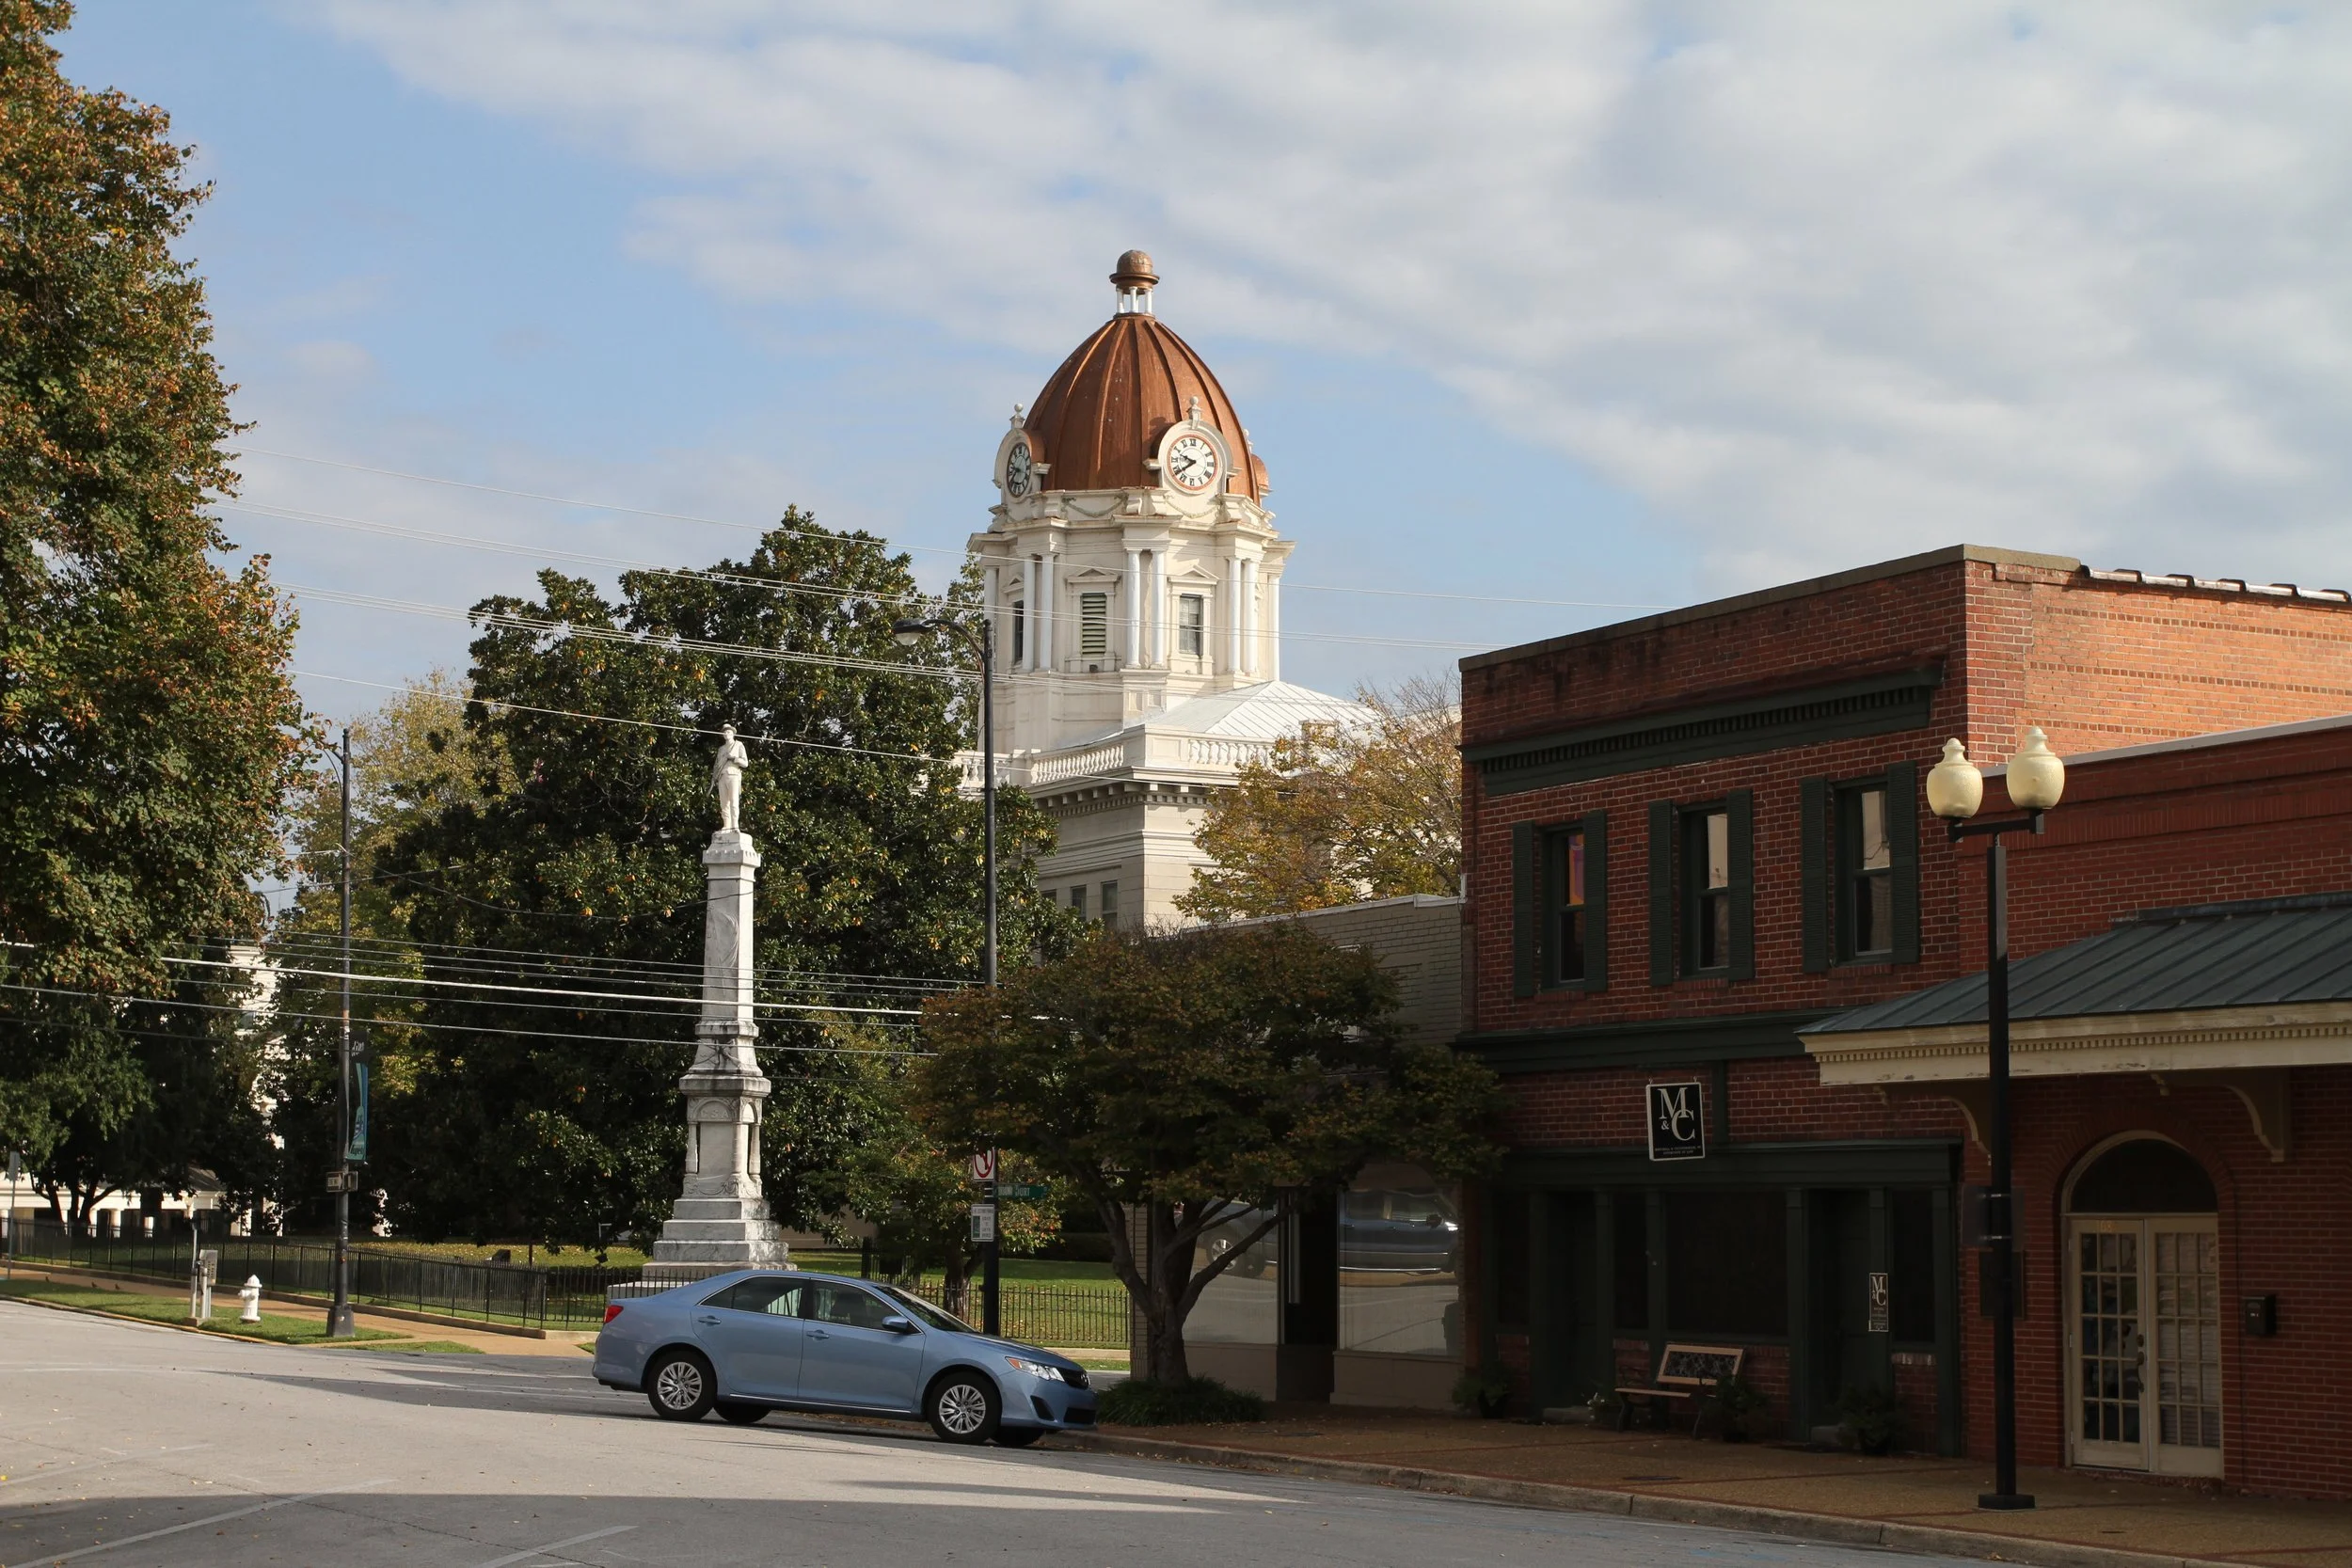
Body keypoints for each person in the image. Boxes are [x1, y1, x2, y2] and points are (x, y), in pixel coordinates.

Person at [711, 723, 750, 832]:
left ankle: (734, 825)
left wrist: (734, 759)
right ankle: (726, 825)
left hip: (733, 774)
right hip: (722, 776)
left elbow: (745, 763)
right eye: (724, 732)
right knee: (724, 803)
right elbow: (716, 765)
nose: (726, 734)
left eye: (728, 732)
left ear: (732, 733)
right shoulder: (721, 749)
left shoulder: (739, 745)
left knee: (734, 801)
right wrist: (714, 777)